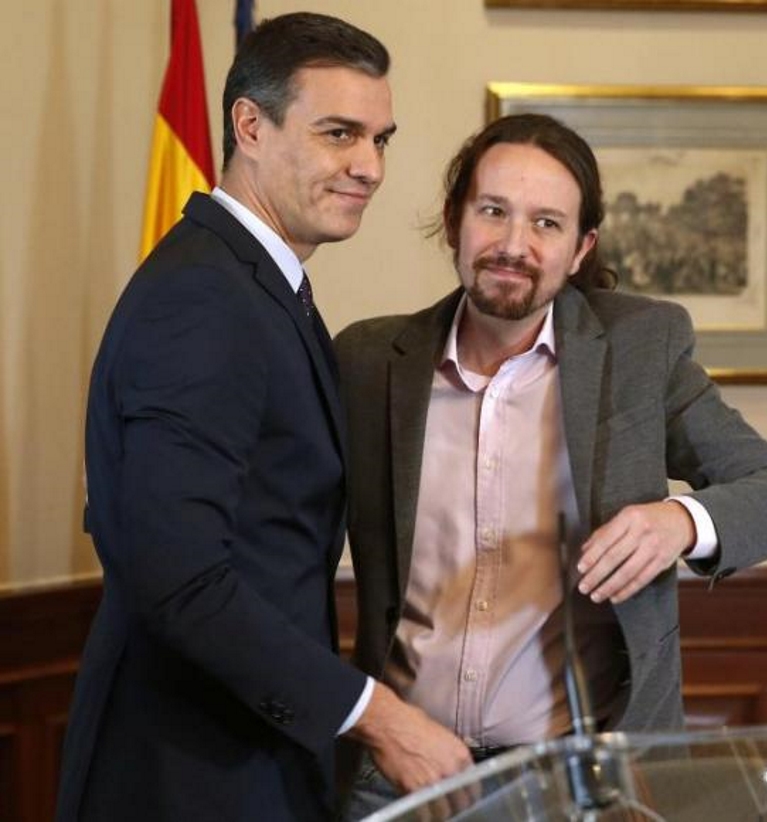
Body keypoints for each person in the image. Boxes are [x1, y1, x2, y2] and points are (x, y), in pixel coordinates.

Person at [334, 113, 767, 816]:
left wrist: (679, 522)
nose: (514, 245)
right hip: (403, 777)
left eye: (547, 223)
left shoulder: (640, 350)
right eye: (493, 211)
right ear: (454, 218)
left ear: (581, 246)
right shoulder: (367, 361)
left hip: (585, 786)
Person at [56, 13, 470, 822]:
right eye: (339, 134)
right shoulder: (205, 298)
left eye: (379, 139)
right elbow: (178, 577)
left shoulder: (257, 285)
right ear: (249, 125)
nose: (369, 166)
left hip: (241, 757)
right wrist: (379, 717)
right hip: (186, 774)